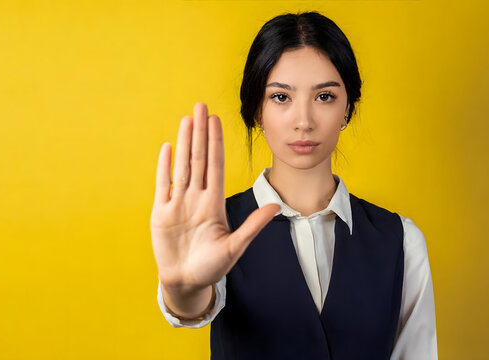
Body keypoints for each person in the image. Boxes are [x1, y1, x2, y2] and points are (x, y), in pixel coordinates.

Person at [150, 11, 437, 359]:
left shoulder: (401, 240)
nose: (303, 121)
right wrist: (182, 288)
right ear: (258, 109)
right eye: (281, 97)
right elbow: (195, 304)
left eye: (325, 96)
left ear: (348, 107)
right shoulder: (216, 227)